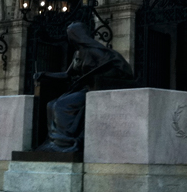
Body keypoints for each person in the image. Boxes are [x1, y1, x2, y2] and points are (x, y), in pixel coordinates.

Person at [34, 22, 134, 153]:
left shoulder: (96, 51)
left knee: (62, 105)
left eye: (71, 34)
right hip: (81, 88)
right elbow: (66, 75)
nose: (69, 37)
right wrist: (45, 74)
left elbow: (114, 70)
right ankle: (54, 141)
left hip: (93, 89)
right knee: (51, 104)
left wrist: (96, 77)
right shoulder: (77, 54)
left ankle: (64, 142)